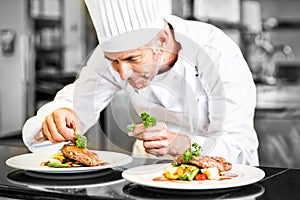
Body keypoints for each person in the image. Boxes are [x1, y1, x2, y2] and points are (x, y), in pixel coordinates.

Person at [22, 0, 259, 165]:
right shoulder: (116, 56)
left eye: (132, 59)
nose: (122, 73)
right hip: (147, 176)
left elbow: (239, 146)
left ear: (162, 39)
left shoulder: (216, 51)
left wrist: (182, 145)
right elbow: (76, 102)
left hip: (219, 185)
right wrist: (60, 115)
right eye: (113, 61)